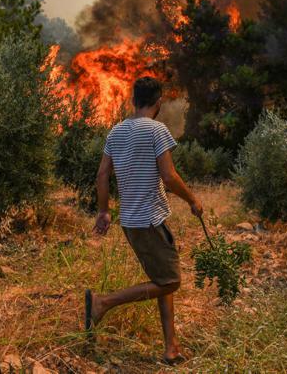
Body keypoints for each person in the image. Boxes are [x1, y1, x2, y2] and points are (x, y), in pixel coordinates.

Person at [84, 76, 204, 365]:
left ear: (133, 100)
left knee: (161, 278)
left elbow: (102, 175)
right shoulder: (156, 130)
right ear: (158, 102)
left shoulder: (115, 132)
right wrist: (192, 200)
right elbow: (169, 176)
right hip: (150, 220)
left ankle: (171, 348)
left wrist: (103, 211)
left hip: (130, 221)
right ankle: (103, 303)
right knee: (171, 281)